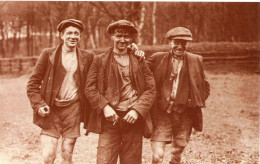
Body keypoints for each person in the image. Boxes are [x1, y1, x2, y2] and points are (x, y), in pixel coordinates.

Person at [85, 20, 156, 164]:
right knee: (104, 161)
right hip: (109, 120)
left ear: (131, 39)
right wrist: (104, 107)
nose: (122, 40)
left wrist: (137, 110)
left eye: (126, 37)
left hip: (133, 119)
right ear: (112, 36)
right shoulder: (100, 60)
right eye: (118, 36)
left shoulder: (138, 59)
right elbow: (89, 88)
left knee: (131, 161)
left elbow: (151, 88)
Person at [27, 19, 94, 164]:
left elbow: (106, 63)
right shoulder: (48, 54)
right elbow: (33, 84)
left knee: (67, 154)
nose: (73, 36)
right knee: (48, 156)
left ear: (80, 37)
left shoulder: (88, 57)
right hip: (51, 109)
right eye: (69, 33)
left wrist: (132, 49)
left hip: (73, 109)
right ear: (61, 35)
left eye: (76, 33)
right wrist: (39, 105)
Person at [147, 27, 210, 164]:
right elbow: (142, 75)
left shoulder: (196, 60)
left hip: (184, 114)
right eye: (176, 42)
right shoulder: (157, 58)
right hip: (161, 113)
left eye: (184, 43)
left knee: (177, 154)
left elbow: (205, 87)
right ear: (170, 42)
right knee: (157, 156)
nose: (180, 46)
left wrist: (193, 101)